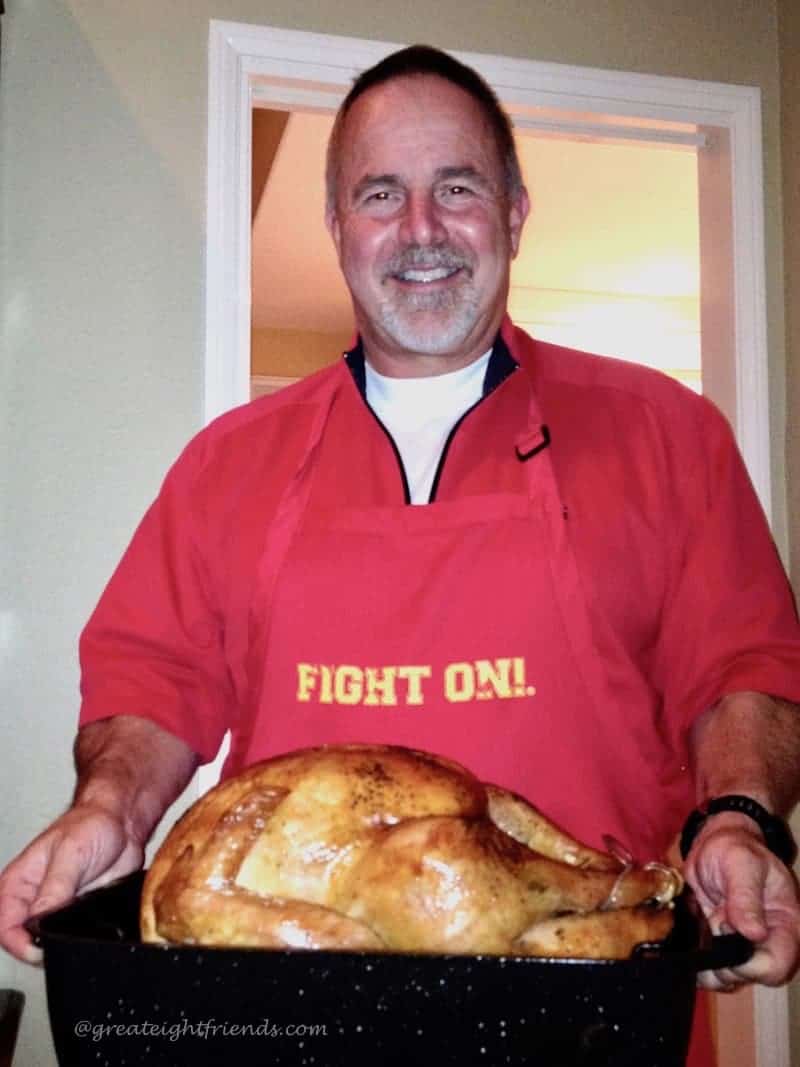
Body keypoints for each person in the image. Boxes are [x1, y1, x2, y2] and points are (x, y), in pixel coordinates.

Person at [2, 43, 800, 1062]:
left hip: (585, 1020)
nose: (420, 230)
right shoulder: (227, 464)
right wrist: (109, 806)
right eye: (379, 194)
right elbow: (152, 677)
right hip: (283, 1026)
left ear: (512, 210)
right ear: (336, 225)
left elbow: (744, 664)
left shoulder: (663, 433)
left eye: (454, 188)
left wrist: (735, 816)